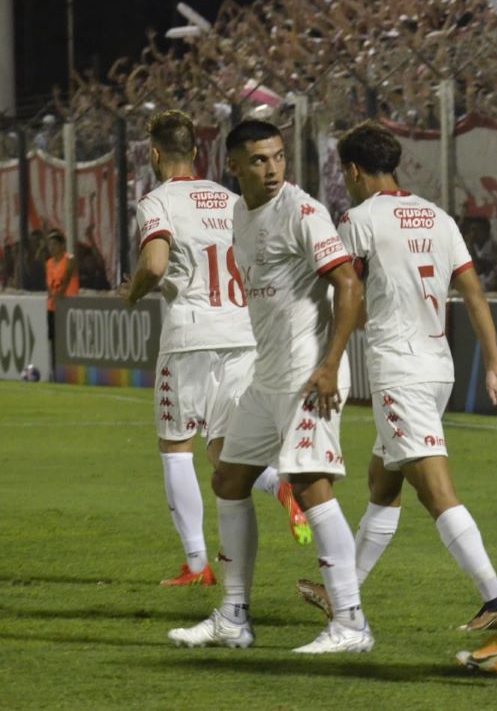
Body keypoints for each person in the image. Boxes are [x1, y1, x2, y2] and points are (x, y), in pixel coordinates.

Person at [294, 121, 497, 632]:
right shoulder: (439, 217)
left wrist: (338, 346)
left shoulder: (359, 218)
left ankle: (496, 596)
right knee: (383, 483)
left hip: (399, 368)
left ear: (353, 170)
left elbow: (342, 292)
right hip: (438, 365)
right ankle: (341, 595)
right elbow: (474, 293)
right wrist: (494, 363)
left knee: (435, 489)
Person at [167, 120, 371, 654]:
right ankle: (234, 616)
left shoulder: (302, 211)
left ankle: (351, 623)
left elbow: (348, 284)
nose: (273, 168)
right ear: (233, 165)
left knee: (309, 486)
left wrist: (331, 365)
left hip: (310, 376)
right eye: (258, 160)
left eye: (278, 156)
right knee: (230, 480)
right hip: (268, 376)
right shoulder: (240, 211)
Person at [120, 110, 310, 589]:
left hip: (190, 336)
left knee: (176, 446)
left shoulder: (156, 200)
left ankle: (197, 562)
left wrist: (133, 290)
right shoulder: (231, 200)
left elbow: (156, 263)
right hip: (242, 333)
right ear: (199, 152)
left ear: (155, 154)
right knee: (224, 447)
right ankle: (281, 484)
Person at [45, 229, 79, 368]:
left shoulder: (69, 260)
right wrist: (52, 297)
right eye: (50, 245)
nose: (51, 248)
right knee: (53, 340)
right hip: (53, 307)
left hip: (67, 306)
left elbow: (66, 279)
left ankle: (70, 368)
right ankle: (54, 369)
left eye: (54, 244)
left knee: (68, 339)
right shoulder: (49, 263)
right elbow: (49, 284)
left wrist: (60, 295)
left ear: (62, 245)